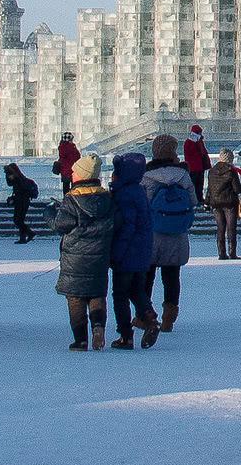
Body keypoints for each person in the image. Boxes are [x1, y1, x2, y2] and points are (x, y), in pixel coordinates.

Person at [54, 153, 116, 351]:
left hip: (75, 259)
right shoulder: (106, 198)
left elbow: (60, 224)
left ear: (80, 175)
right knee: (97, 295)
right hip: (99, 257)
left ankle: (80, 339)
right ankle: (98, 326)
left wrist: (49, 213)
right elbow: (117, 222)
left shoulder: (72, 200)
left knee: (75, 298)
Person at [143, 134, 195, 333]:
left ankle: (146, 315)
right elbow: (193, 201)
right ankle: (168, 319)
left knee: (147, 276)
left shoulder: (147, 175)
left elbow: (143, 203)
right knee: (172, 277)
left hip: (152, 233)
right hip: (177, 233)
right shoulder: (183, 175)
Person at [109, 151, 160, 349]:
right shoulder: (140, 191)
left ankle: (125, 336)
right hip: (142, 253)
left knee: (120, 294)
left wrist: (116, 254)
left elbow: (126, 227)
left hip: (127, 253)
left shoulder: (125, 194)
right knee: (137, 289)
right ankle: (149, 317)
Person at [206, 150, 241, 259]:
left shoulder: (212, 171)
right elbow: (236, 189)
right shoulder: (231, 171)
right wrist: (240, 188)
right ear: (230, 159)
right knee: (231, 228)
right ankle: (232, 253)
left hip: (216, 203)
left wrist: (207, 201)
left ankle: (221, 253)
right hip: (229, 202)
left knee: (220, 228)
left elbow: (209, 188)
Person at [3, 162, 39, 244]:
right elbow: (10, 183)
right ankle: (23, 237)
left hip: (21, 201)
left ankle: (30, 233)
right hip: (24, 201)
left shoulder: (18, 179)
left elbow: (11, 184)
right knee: (20, 220)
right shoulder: (20, 178)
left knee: (17, 220)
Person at [184, 125, 211, 203]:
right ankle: (196, 198)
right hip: (194, 167)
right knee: (195, 184)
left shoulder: (199, 142)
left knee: (199, 184)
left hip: (199, 167)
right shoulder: (190, 142)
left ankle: (199, 198)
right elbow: (190, 153)